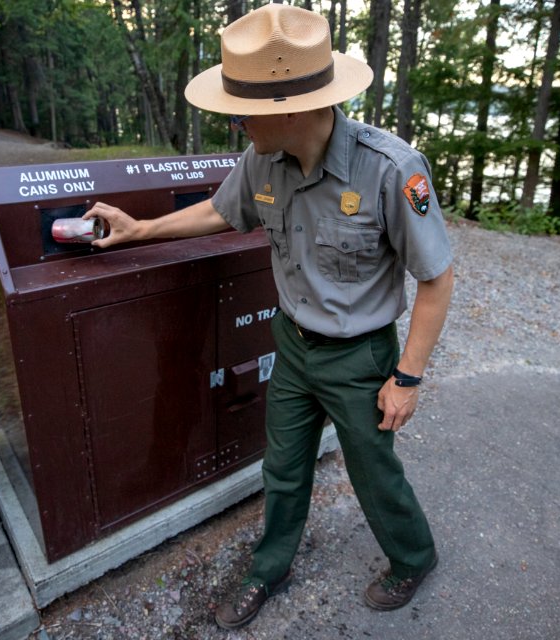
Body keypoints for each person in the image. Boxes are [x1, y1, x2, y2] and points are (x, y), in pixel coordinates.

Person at [85, 3, 454, 630]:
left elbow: (437, 277)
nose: (235, 120)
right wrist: (138, 229)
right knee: (281, 469)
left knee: (373, 471)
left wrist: (408, 377)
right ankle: (270, 568)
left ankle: (414, 557)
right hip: (294, 346)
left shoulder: (391, 169)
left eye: (245, 107)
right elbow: (219, 212)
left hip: (360, 357)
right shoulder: (262, 160)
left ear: (293, 109)